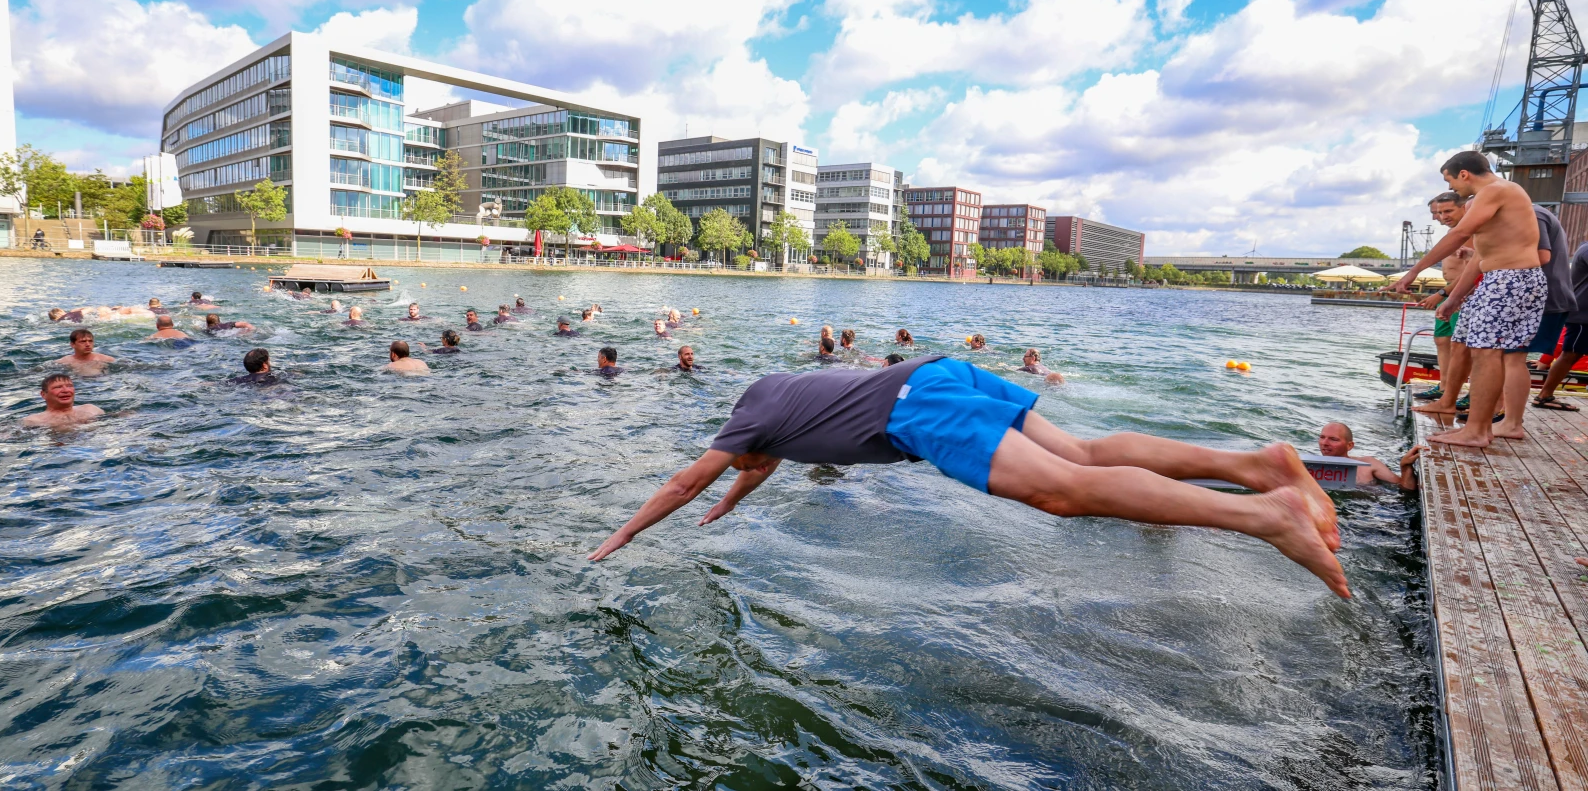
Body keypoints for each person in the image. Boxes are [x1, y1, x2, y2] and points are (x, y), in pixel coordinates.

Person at [588, 354, 1348, 599]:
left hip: (915, 409)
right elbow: (749, 469)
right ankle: (1255, 465)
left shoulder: (744, 428)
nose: (754, 470)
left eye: (744, 464)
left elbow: (685, 482)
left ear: (740, 443)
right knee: (1083, 454)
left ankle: (1266, 516)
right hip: (937, 372)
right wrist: (729, 505)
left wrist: (622, 535)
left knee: (1064, 493)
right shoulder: (772, 400)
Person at [1390, 151, 1545, 447]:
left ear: (1464, 174)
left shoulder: (1497, 190)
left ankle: (1477, 431)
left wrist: (1414, 271)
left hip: (1511, 278)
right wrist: (1453, 298)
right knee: (1470, 345)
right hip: (1496, 278)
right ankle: (1476, 424)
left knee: (1488, 353)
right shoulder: (1487, 198)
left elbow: (1460, 234)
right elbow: (1480, 257)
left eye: (1449, 180)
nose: (1451, 188)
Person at [1487, 204, 1577, 430]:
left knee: (1512, 357)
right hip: (1539, 297)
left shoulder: (1530, 214)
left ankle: (1511, 422)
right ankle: (1502, 414)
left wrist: (1487, 263)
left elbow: (1541, 256)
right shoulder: (1532, 213)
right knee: (1505, 356)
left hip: (1541, 298)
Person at [1414, 193, 1475, 402]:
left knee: (1465, 346)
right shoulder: (1453, 233)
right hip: (1449, 293)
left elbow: (1471, 271)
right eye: (1437, 213)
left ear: (1463, 207)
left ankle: (1471, 391)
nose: (1438, 217)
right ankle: (1444, 385)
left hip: (1462, 294)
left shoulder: (1469, 232)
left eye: (1445, 211)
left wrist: (1443, 294)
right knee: (1442, 339)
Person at [1534, 238, 1588, 411]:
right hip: (1582, 315)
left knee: (1572, 354)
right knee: (1571, 354)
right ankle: (1544, 395)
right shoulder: (1586, 250)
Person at [1318, 422, 1424, 489]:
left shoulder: (1368, 465)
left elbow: (1406, 489)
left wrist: (1405, 467)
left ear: (1349, 445)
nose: (1324, 443)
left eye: (1333, 439)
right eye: (1322, 437)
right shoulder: (1311, 468)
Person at [22, 373, 105, 428]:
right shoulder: (33, 421)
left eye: (69, 386)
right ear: (43, 394)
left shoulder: (92, 410)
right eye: (58, 387)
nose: (65, 390)